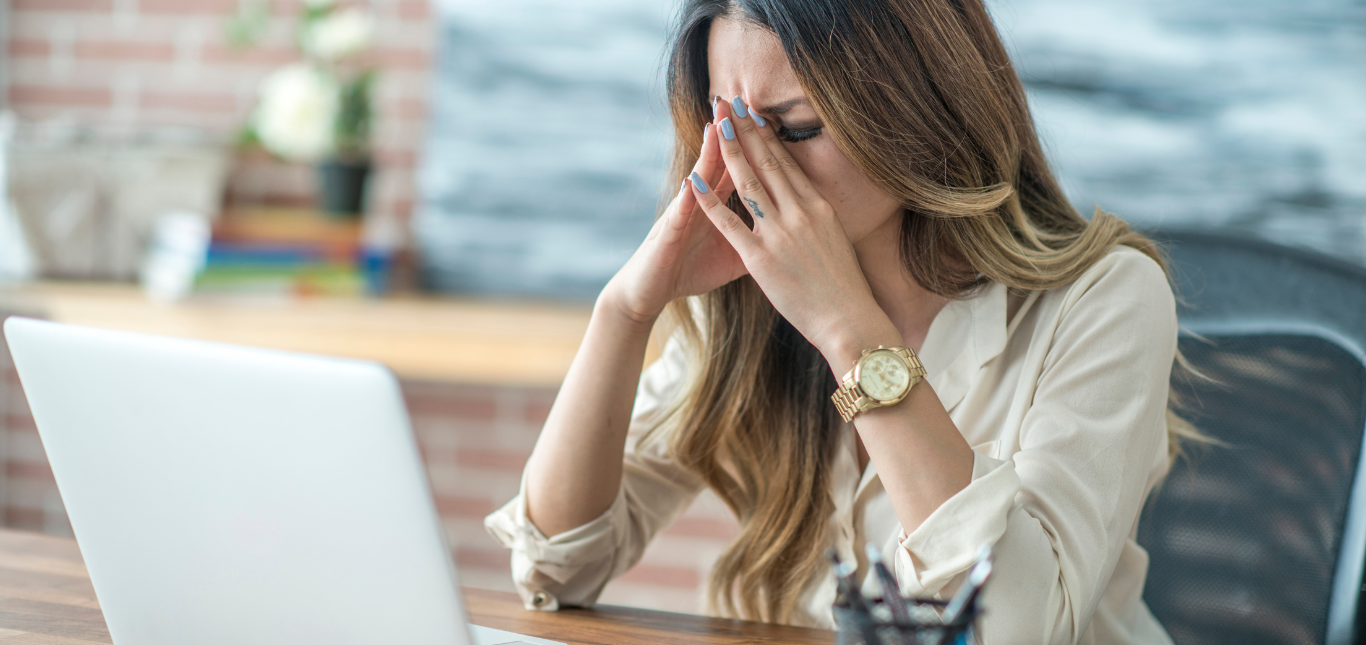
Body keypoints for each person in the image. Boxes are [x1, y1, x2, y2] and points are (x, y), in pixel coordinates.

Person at [486, 1, 1194, 642]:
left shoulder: (1106, 299)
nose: (753, 168)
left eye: (795, 128)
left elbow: (1011, 630)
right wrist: (626, 309)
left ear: (920, 103)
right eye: (728, 126)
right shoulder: (749, 302)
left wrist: (847, 328)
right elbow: (555, 571)